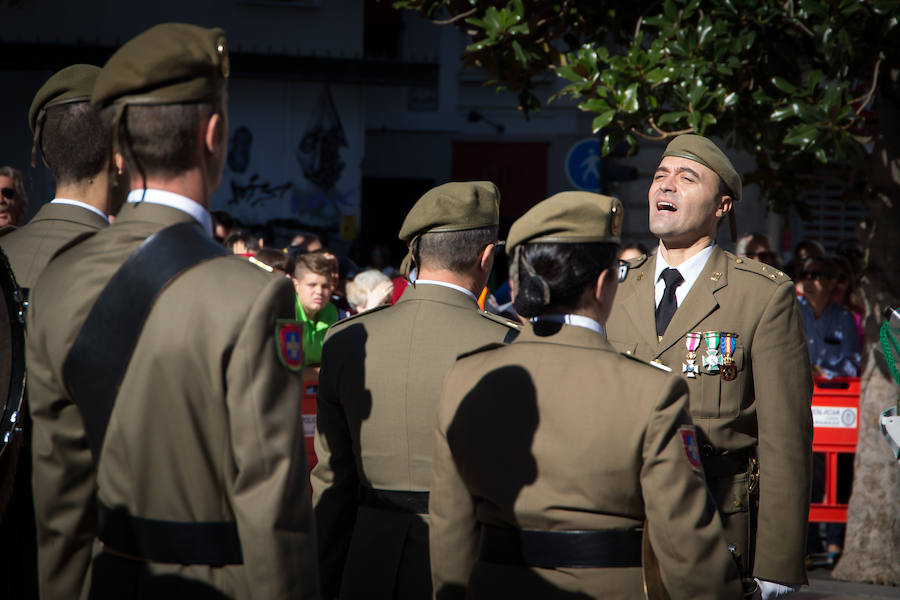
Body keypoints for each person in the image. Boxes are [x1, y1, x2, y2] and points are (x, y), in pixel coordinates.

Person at [26, 23, 318, 599]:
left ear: (117, 148)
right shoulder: (256, 295)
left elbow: (59, 503)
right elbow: (272, 506)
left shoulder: (58, 281)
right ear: (213, 135)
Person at [429, 191, 742, 599]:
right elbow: (688, 548)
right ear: (602, 283)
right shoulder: (652, 391)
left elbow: (450, 526)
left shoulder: (465, 376)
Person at [606, 135, 813, 596]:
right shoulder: (614, 288)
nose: (667, 185)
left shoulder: (761, 294)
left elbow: (785, 436)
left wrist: (777, 562)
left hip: (715, 525)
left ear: (722, 206)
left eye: (686, 177)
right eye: (660, 175)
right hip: (619, 531)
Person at [311, 181, 520, 600]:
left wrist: (321, 577)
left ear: (417, 254)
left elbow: (331, 483)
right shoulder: (510, 344)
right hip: (466, 565)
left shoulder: (345, 340)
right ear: (486, 256)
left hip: (365, 559)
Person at [0, 63, 121, 600]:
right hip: (97, 546)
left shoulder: (5, 255)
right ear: (120, 153)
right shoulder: (140, 269)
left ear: (43, 155)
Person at [795, 257, 861, 379]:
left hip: (831, 392)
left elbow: (852, 362)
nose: (808, 280)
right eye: (804, 275)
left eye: (815, 275)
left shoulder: (844, 317)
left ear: (831, 282)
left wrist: (824, 372)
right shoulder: (791, 311)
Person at [293, 250, 339, 371]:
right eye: (312, 285)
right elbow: (287, 373)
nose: (319, 291)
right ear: (296, 285)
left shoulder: (330, 311)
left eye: (325, 286)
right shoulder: (286, 311)